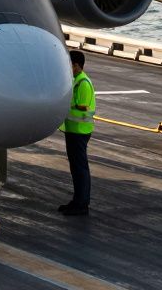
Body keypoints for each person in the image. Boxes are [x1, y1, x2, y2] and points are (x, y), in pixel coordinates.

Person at [58, 49, 95, 216]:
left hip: (80, 131)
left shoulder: (83, 83)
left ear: (77, 65)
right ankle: (77, 201)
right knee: (76, 168)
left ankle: (82, 204)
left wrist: (63, 106)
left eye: (69, 65)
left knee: (80, 169)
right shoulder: (76, 80)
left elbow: (83, 107)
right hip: (73, 130)